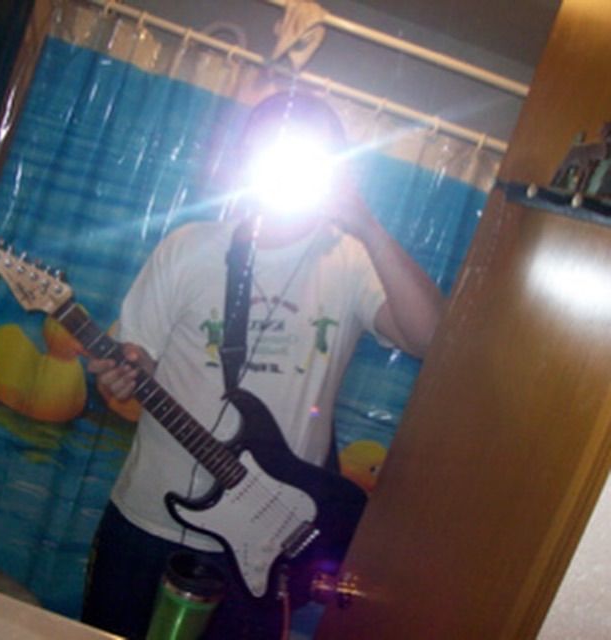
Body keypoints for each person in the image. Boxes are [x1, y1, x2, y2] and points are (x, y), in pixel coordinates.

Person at [81, 90, 443, 639]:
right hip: (147, 520)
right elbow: (136, 366)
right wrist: (120, 379)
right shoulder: (189, 247)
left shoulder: (350, 261)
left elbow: (432, 339)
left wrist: (367, 225)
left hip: (266, 545)